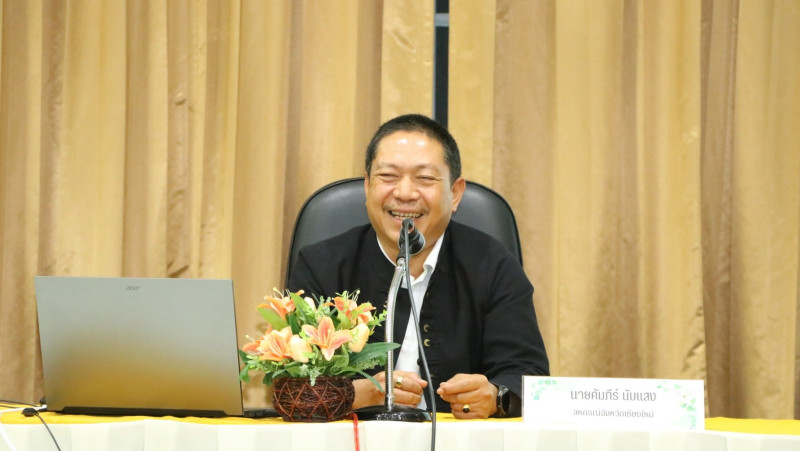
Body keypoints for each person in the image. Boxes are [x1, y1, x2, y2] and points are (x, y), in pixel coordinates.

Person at [287, 114, 548, 418]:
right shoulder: (322, 265)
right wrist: (356, 395)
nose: (405, 193)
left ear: (455, 193)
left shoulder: (493, 264)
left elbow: (528, 376)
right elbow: (291, 385)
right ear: (368, 186)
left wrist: (494, 396)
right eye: (388, 176)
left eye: (424, 178)